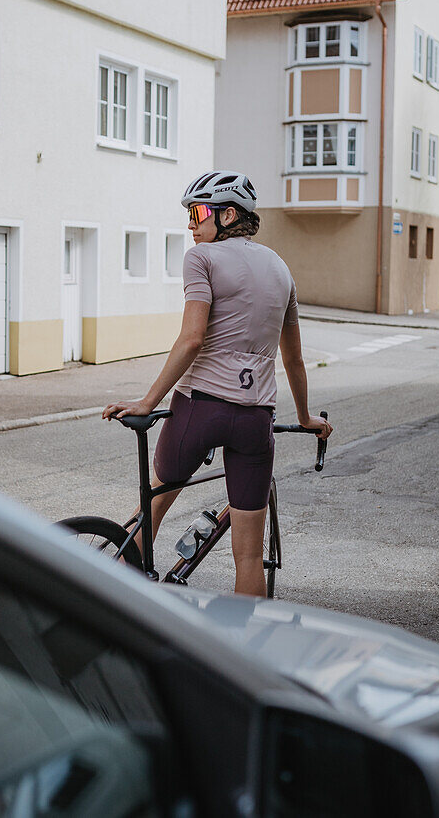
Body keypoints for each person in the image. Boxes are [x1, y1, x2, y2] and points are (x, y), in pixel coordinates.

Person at [103, 171, 332, 596]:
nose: (191, 223)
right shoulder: (282, 270)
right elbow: (294, 358)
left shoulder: (201, 258)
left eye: (198, 212)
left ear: (228, 215)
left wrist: (147, 401)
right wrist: (304, 418)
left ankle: (112, 596)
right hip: (256, 417)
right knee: (247, 559)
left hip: (200, 407)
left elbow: (192, 338)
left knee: (152, 507)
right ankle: (244, 656)